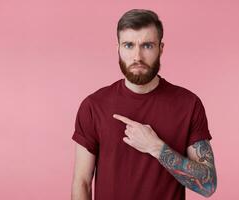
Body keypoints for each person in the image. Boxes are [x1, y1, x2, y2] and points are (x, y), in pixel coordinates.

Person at [71, 9, 217, 200]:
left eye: (147, 45)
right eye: (129, 45)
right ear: (118, 48)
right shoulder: (94, 106)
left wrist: (156, 147)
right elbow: (82, 182)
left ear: (161, 49)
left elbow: (208, 185)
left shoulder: (188, 104)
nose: (137, 56)